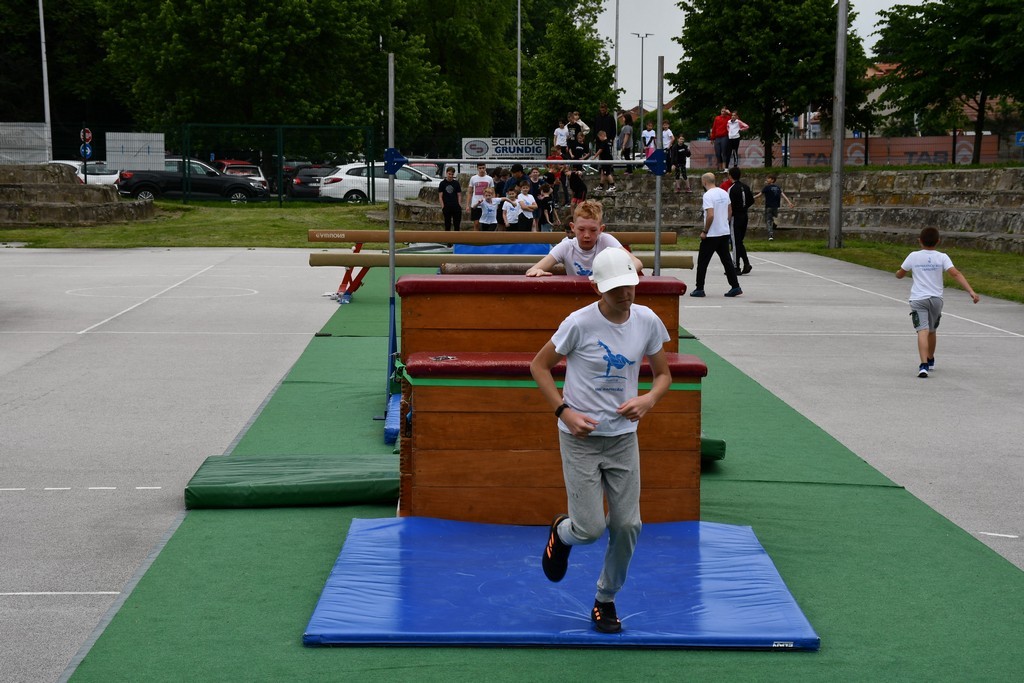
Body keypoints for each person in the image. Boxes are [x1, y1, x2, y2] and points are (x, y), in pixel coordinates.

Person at [530, 247, 672, 635]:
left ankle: (605, 599)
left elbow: (663, 376)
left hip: (623, 439)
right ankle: (561, 532)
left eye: (629, 286)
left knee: (628, 525)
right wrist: (564, 412)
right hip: (580, 438)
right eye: (615, 289)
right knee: (589, 529)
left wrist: (647, 399)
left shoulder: (647, 321)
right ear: (597, 288)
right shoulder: (578, 323)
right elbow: (539, 366)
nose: (624, 295)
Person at [895, 227, 980, 378]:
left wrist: (899, 273)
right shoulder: (942, 257)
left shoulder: (913, 256)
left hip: (918, 299)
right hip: (936, 299)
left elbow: (900, 274)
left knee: (922, 330)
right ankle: (930, 359)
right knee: (932, 330)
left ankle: (923, 365)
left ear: (919, 241)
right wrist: (971, 291)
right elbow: (955, 273)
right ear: (938, 241)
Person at [526, 199, 642, 277]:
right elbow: (532, 270)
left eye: (593, 230)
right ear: (573, 227)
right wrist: (538, 271)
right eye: (581, 230)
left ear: (601, 229)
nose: (587, 235)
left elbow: (637, 263)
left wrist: (619, 272)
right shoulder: (566, 246)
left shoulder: (606, 240)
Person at [691, 172, 741, 298]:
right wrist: (725, 222)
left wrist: (705, 231)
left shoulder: (708, 195)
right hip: (724, 232)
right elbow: (730, 210)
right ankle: (735, 286)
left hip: (712, 234)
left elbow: (710, 215)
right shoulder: (724, 192)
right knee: (727, 261)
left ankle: (699, 288)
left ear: (705, 182)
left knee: (703, 262)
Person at [727, 167, 754, 274]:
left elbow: (729, 206)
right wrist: (744, 207)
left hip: (735, 217)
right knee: (739, 241)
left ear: (730, 176)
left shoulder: (732, 189)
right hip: (744, 216)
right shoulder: (746, 187)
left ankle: (736, 266)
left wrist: (728, 219)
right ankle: (746, 263)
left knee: (734, 242)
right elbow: (751, 200)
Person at [754, 175, 794, 240]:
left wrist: (752, 197)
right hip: (776, 207)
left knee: (768, 220)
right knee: (772, 218)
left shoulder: (767, 187)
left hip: (769, 206)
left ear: (772, 180)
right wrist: (789, 202)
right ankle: (774, 225)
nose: (767, 179)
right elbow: (783, 195)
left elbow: (759, 194)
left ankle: (770, 235)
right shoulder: (778, 187)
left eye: (768, 178)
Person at [466, 163, 493, 231]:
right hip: (476, 204)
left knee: (485, 223)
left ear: (485, 168)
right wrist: (467, 205)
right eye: (480, 168)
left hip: (486, 204)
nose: (482, 170)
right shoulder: (473, 178)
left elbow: (493, 191)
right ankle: (476, 238)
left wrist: (492, 203)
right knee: (476, 223)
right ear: (477, 169)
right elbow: (469, 192)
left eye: (483, 168)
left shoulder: (489, 179)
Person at [438, 167, 462, 232]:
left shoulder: (456, 183)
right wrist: (443, 206)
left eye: (452, 174)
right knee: (447, 225)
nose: (451, 176)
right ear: (446, 173)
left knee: (457, 225)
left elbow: (459, 195)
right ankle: (447, 241)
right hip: (447, 206)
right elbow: (440, 196)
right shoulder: (442, 183)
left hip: (455, 206)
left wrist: (459, 205)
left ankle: (456, 240)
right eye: (449, 174)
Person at [709, 107, 731, 172]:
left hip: (724, 137)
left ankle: (725, 167)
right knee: (717, 153)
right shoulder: (717, 118)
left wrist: (729, 113)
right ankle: (720, 167)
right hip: (717, 137)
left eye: (724, 111)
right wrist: (712, 138)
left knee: (724, 152)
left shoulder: (728, 118)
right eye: (722, 111)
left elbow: (736, 119)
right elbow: (714, 127)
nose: (723, 113)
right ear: (720, 112)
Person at [594, 129, 615, 194]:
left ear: (602, 135)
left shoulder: (604, 142)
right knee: (603, 173)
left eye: (599, 137)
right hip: (605, 159)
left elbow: (600, 150)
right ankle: (601, 186)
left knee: (607, 173)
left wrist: (594, 157)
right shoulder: (609, 141)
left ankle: (612, 186)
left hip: (607, 160)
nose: (599, 139)